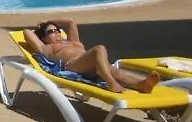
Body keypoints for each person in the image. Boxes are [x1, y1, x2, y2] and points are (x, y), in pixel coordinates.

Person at [24, 18, 160, 93]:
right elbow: (26, 32)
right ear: (44, 38)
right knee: (99, 49)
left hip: (91, 64)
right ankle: (110, 82)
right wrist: (42, 25)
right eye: (51, 32)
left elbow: (70, 22)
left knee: (116, 72)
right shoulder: (46, 48)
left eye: (57, 30)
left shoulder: (73, 41)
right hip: (73, 65)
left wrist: (49, 21)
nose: (56, 33)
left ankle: (141, 84)